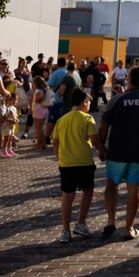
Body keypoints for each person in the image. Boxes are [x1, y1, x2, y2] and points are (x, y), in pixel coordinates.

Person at [94, 65, 139, 239]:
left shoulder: (117, 100)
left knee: (112, 185)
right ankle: (129, 227)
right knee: (134, 188)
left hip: (117, 151)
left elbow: (104, 127)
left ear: (129, 80)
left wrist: (102, 149)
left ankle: (111, 221)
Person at [53, 87, 97, 242]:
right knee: (88, 191)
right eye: (88, 102)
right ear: (84, 102)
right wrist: (104, 151)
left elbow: (55, 141)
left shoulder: (62, 120)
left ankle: (65, 230)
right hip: (84, 162)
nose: (89, 105)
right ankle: (81, 223)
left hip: (66, 164)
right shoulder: (87, 118)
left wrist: (59, 157)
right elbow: (95, 139)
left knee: (67, 195)